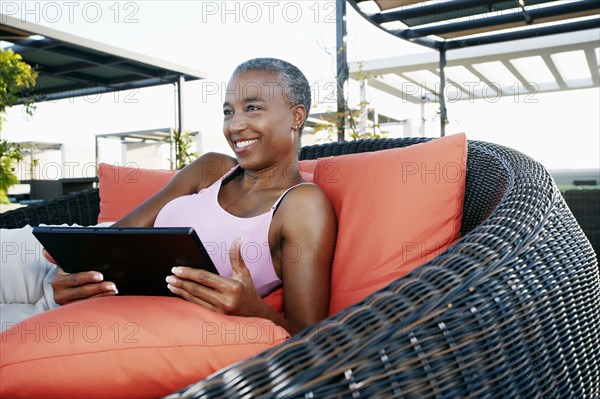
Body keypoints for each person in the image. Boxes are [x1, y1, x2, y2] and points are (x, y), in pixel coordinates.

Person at [47, 58, 337, 335]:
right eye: (228, 111)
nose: (234, 126)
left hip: (121, 312)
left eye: (252, 108)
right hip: (75, 268)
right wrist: (67, 268)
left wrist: (254, 310)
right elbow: (115, 236)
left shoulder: (302, 205)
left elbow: (310, 336)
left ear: (296, 116)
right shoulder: (212, 168)